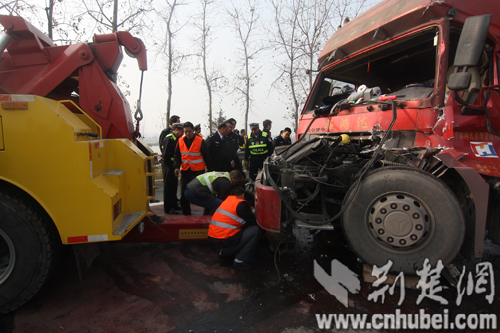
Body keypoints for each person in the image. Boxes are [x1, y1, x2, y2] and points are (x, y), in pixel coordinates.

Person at [207, 186, 261, 269]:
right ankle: (241, 260)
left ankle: (226, 254)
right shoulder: (241, 204)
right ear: (243, 195)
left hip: (214, 244)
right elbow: (254, 221)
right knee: (256, 230)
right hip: (223, 245)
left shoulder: (226, 202)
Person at [174, 122, 212, 215]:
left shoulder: (200, 141)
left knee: (201, 193)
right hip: (185, 171)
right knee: (183, 194)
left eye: (189, 131)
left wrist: (209, 168)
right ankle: (186, 213)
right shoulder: (180, 141)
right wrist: (176, 167)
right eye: (185, 131)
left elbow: (207, 156)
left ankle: (207, 212)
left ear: (193, 130)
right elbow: (177, 155)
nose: (187, 133)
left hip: (198, 171)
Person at [160, 123, 184, 214]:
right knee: (168, 187)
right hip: (168, 166)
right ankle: (168, 207)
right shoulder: (169, 138)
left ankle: (174, 204)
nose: (183, 134)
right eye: (182, 131)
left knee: (174, 186)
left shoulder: (177, 139)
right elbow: (165, 155)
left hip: (174, 166)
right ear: (177, 130)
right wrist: (171, 167)